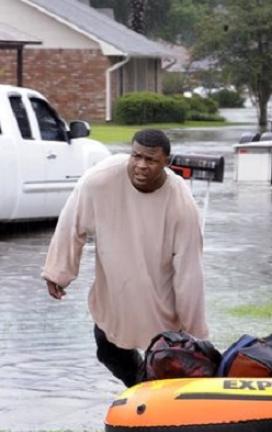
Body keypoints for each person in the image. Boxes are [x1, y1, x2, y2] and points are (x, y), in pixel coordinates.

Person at [41, 129, 208, 387]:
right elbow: (71, 223)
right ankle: (140, 389)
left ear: (167, 162)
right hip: (114, 291)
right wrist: (58, 272)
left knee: (165, 359)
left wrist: (196, 336)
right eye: (136, 156)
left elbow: (190, 273)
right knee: (108, 351)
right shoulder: (100, 180)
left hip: (158, 296)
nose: (141, 166)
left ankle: (157, 403)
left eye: (151, 160)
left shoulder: (182, 205)